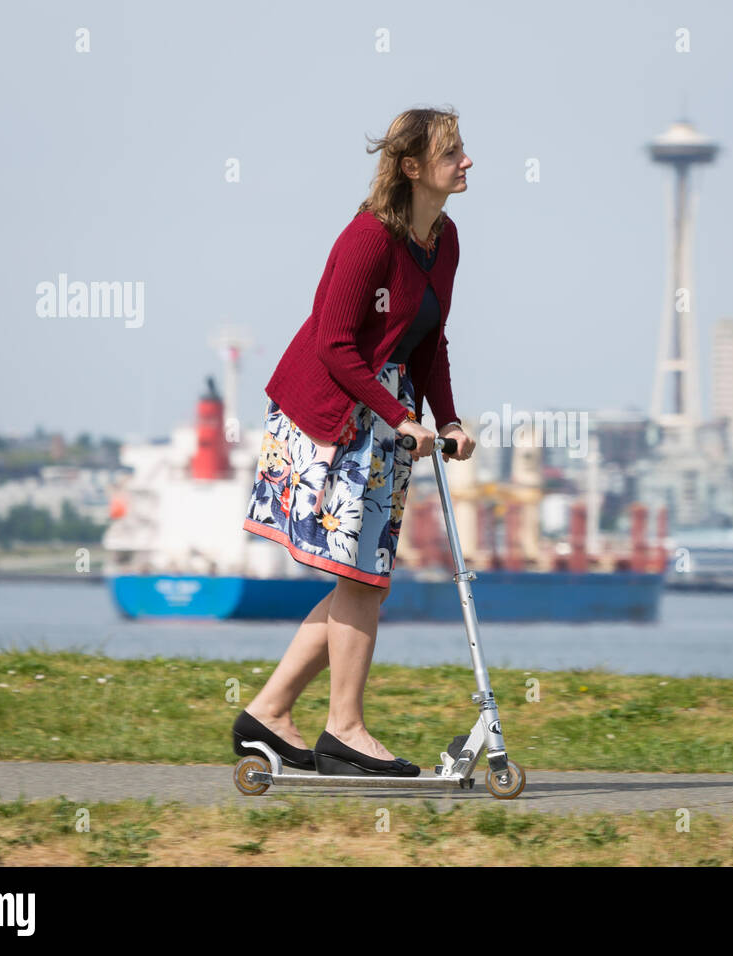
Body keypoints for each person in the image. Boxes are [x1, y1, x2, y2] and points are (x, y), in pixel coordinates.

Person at [234, 106, 476, 777]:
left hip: (383, 418)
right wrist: (400, 419)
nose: (467, 162)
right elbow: (334, 345)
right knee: (363, 578)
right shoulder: (369, 238)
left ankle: (270, 712)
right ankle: (342, 728)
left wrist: (447, 418)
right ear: (411, 167)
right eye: (453, 152)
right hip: (332, 413)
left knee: (365, 580)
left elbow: (430, 345)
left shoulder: (444, 240)